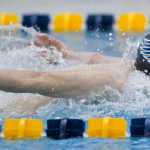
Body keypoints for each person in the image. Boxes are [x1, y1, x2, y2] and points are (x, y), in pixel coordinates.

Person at [0, 33, 149, 99]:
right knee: (40, 80)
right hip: (13, 111)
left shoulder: (126, 68)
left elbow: (96, 58)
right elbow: (35, 79)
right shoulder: (111, 79)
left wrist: (66, 54)